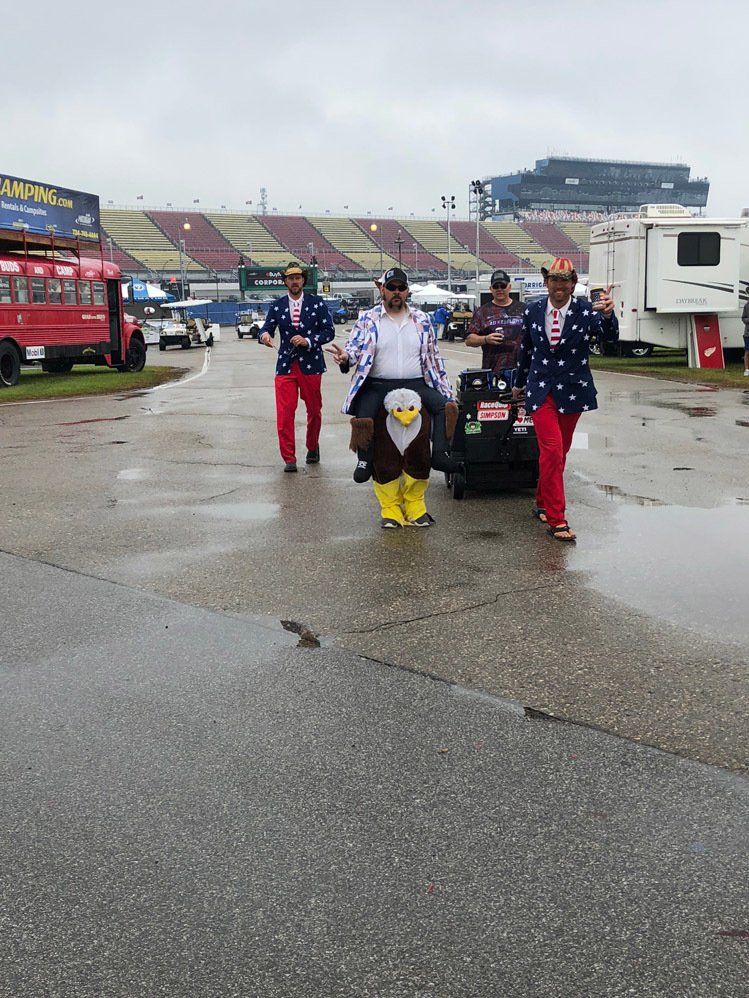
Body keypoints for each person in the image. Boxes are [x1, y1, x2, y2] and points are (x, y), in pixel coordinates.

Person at [512, 257, 619, 542]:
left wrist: (608, 315)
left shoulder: (585, 311)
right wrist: (518, 383)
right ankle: (557, 519)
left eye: (565, 281)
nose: (559, 286)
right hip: (541, 390)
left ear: (573, 283)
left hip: (573, 388)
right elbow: (526, 349)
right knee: (553, 450)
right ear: (547, 282)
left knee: (560, 453)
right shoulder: (533, 310)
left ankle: (542, 502)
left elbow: (609, 340)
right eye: (554, 280)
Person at [326, 267, 458, 482]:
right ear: (383, 290)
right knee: (364, 412)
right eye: (391, 287)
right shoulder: (368, 319)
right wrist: (346, 358)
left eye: (401, 287)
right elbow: (354, 348)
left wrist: (445, 389)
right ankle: (364, 459)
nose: (396, 291)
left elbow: (434, 358)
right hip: (378, 383)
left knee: (445, 407)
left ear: (407, 291)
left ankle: (440, 454)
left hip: (416, 382)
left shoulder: (422, 319)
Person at [258, 262, 335, 472]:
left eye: (298, 278)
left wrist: (309, 340)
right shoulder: (277, 305)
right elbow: (266, 328)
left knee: (314, 411)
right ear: (285, 281)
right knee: (284, 413)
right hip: (286, 365)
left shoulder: (317, 303)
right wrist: (264, 335)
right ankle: (289, 458)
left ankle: (312, 446)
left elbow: (329, 331)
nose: (294, 281)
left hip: (311, 365)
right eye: (290, 278)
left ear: (303, 280)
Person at [465, 269, 524, 376]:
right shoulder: (482, 312)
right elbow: (469, 340)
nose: (499, 289)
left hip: (522, 369)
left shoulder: (524, 309)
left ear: (509, 287)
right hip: (493, 371)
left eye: (503, 286)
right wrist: (485, 339)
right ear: (490, 289)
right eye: (496, 286)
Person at [742, 298, 749, 376]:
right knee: (747, 351)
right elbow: (743, 318)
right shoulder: (746, 306)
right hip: (748, 333)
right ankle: (747, 370)